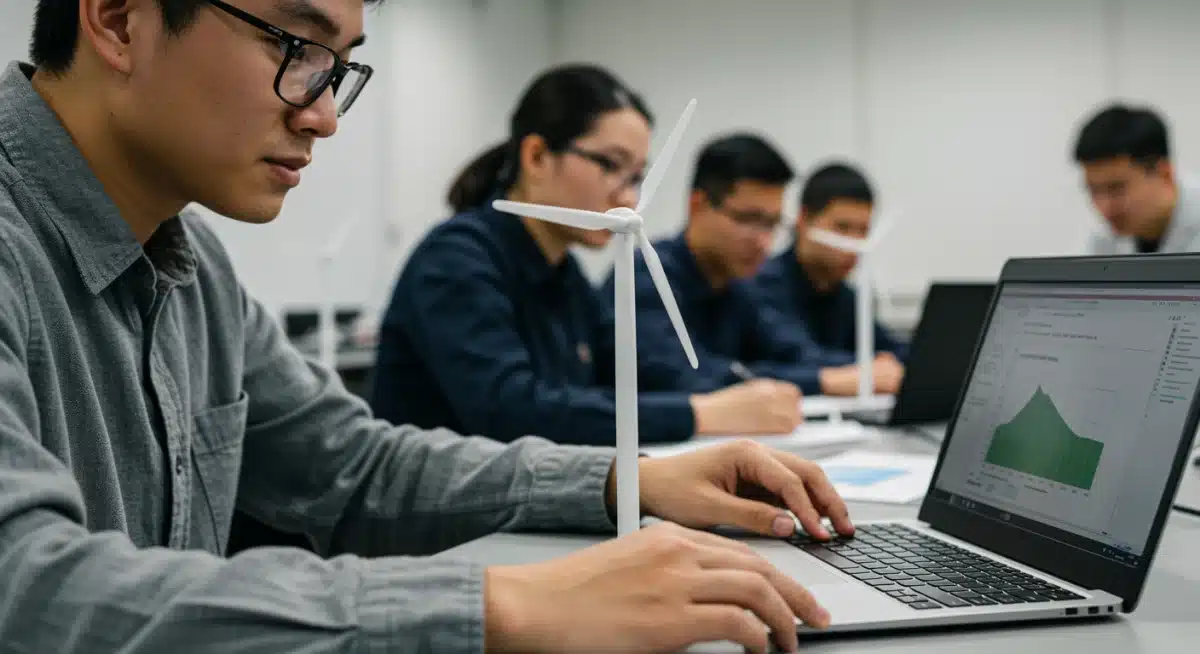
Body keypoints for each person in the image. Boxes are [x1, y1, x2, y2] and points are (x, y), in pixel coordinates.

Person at [0, 2, 854, 652]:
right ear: (117, 19)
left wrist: (624, 481)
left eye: (339, 69)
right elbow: (27, 586)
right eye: (295, 49)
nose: (324, 114)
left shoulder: (196, 270)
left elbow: (356, 469)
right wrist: (504, 605)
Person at [369, 64, 803, 446]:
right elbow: (510, 410)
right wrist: (701, 413)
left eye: (637, 176)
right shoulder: (456, 258)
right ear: (537, 156)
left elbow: (640, 373)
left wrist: (741, 394)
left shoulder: (566, 274)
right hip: (445, 528)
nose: (628, 196)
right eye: (611, 165)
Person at [611, 133, 903, 398]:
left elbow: (792, 353)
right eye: (749, 219)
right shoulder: (645, 276)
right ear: (698, 205)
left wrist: (872, 368)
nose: (764, 241)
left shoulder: (740, 288)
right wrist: (826, 381)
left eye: (773, 223)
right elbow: (680, 375)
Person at [755, 162, 909, 366]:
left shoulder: (845, 297)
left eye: (863, 230)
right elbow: (798, 356)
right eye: (842, 228)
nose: (855, 245)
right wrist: (873, 367)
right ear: (803, 220)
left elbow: (890, 347)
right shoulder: (761, 287)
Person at [1074, 103, 1200, 254]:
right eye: (1093, 190)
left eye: (1116, 188)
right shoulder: (1105, 238)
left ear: (1165, 175)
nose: (1105, 207)